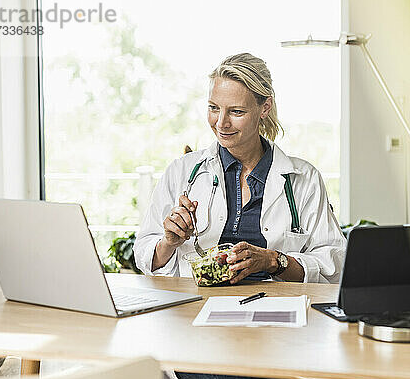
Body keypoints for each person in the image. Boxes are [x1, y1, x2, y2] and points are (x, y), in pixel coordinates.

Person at [134, 53, 346, 284]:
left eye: (236, 112)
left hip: (275, 308)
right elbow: (144, 257)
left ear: (265, 108)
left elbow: (333, 263)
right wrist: (169, 242)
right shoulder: (181, 172)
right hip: (196, 306)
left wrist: (273, 261)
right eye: (214, 108)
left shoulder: (304, 179)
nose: (221, 123)